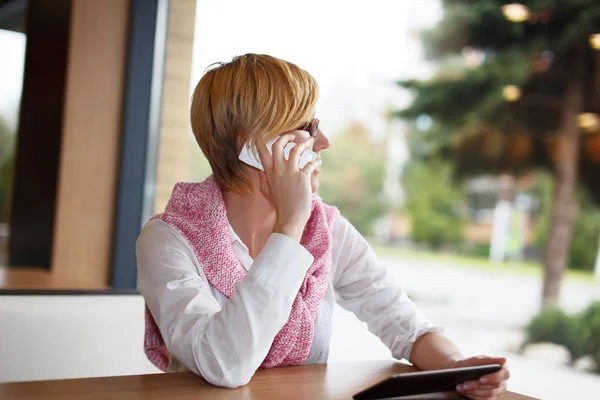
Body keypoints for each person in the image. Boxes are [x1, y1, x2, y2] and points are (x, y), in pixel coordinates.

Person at [137, 54, 510, 399]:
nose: (325, 142)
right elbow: (223, 363)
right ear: (252, 144)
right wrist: (290, 223)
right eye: (308, 127)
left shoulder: (327, 229)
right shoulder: (168, 240)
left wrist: (457, 368)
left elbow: (402, 323)